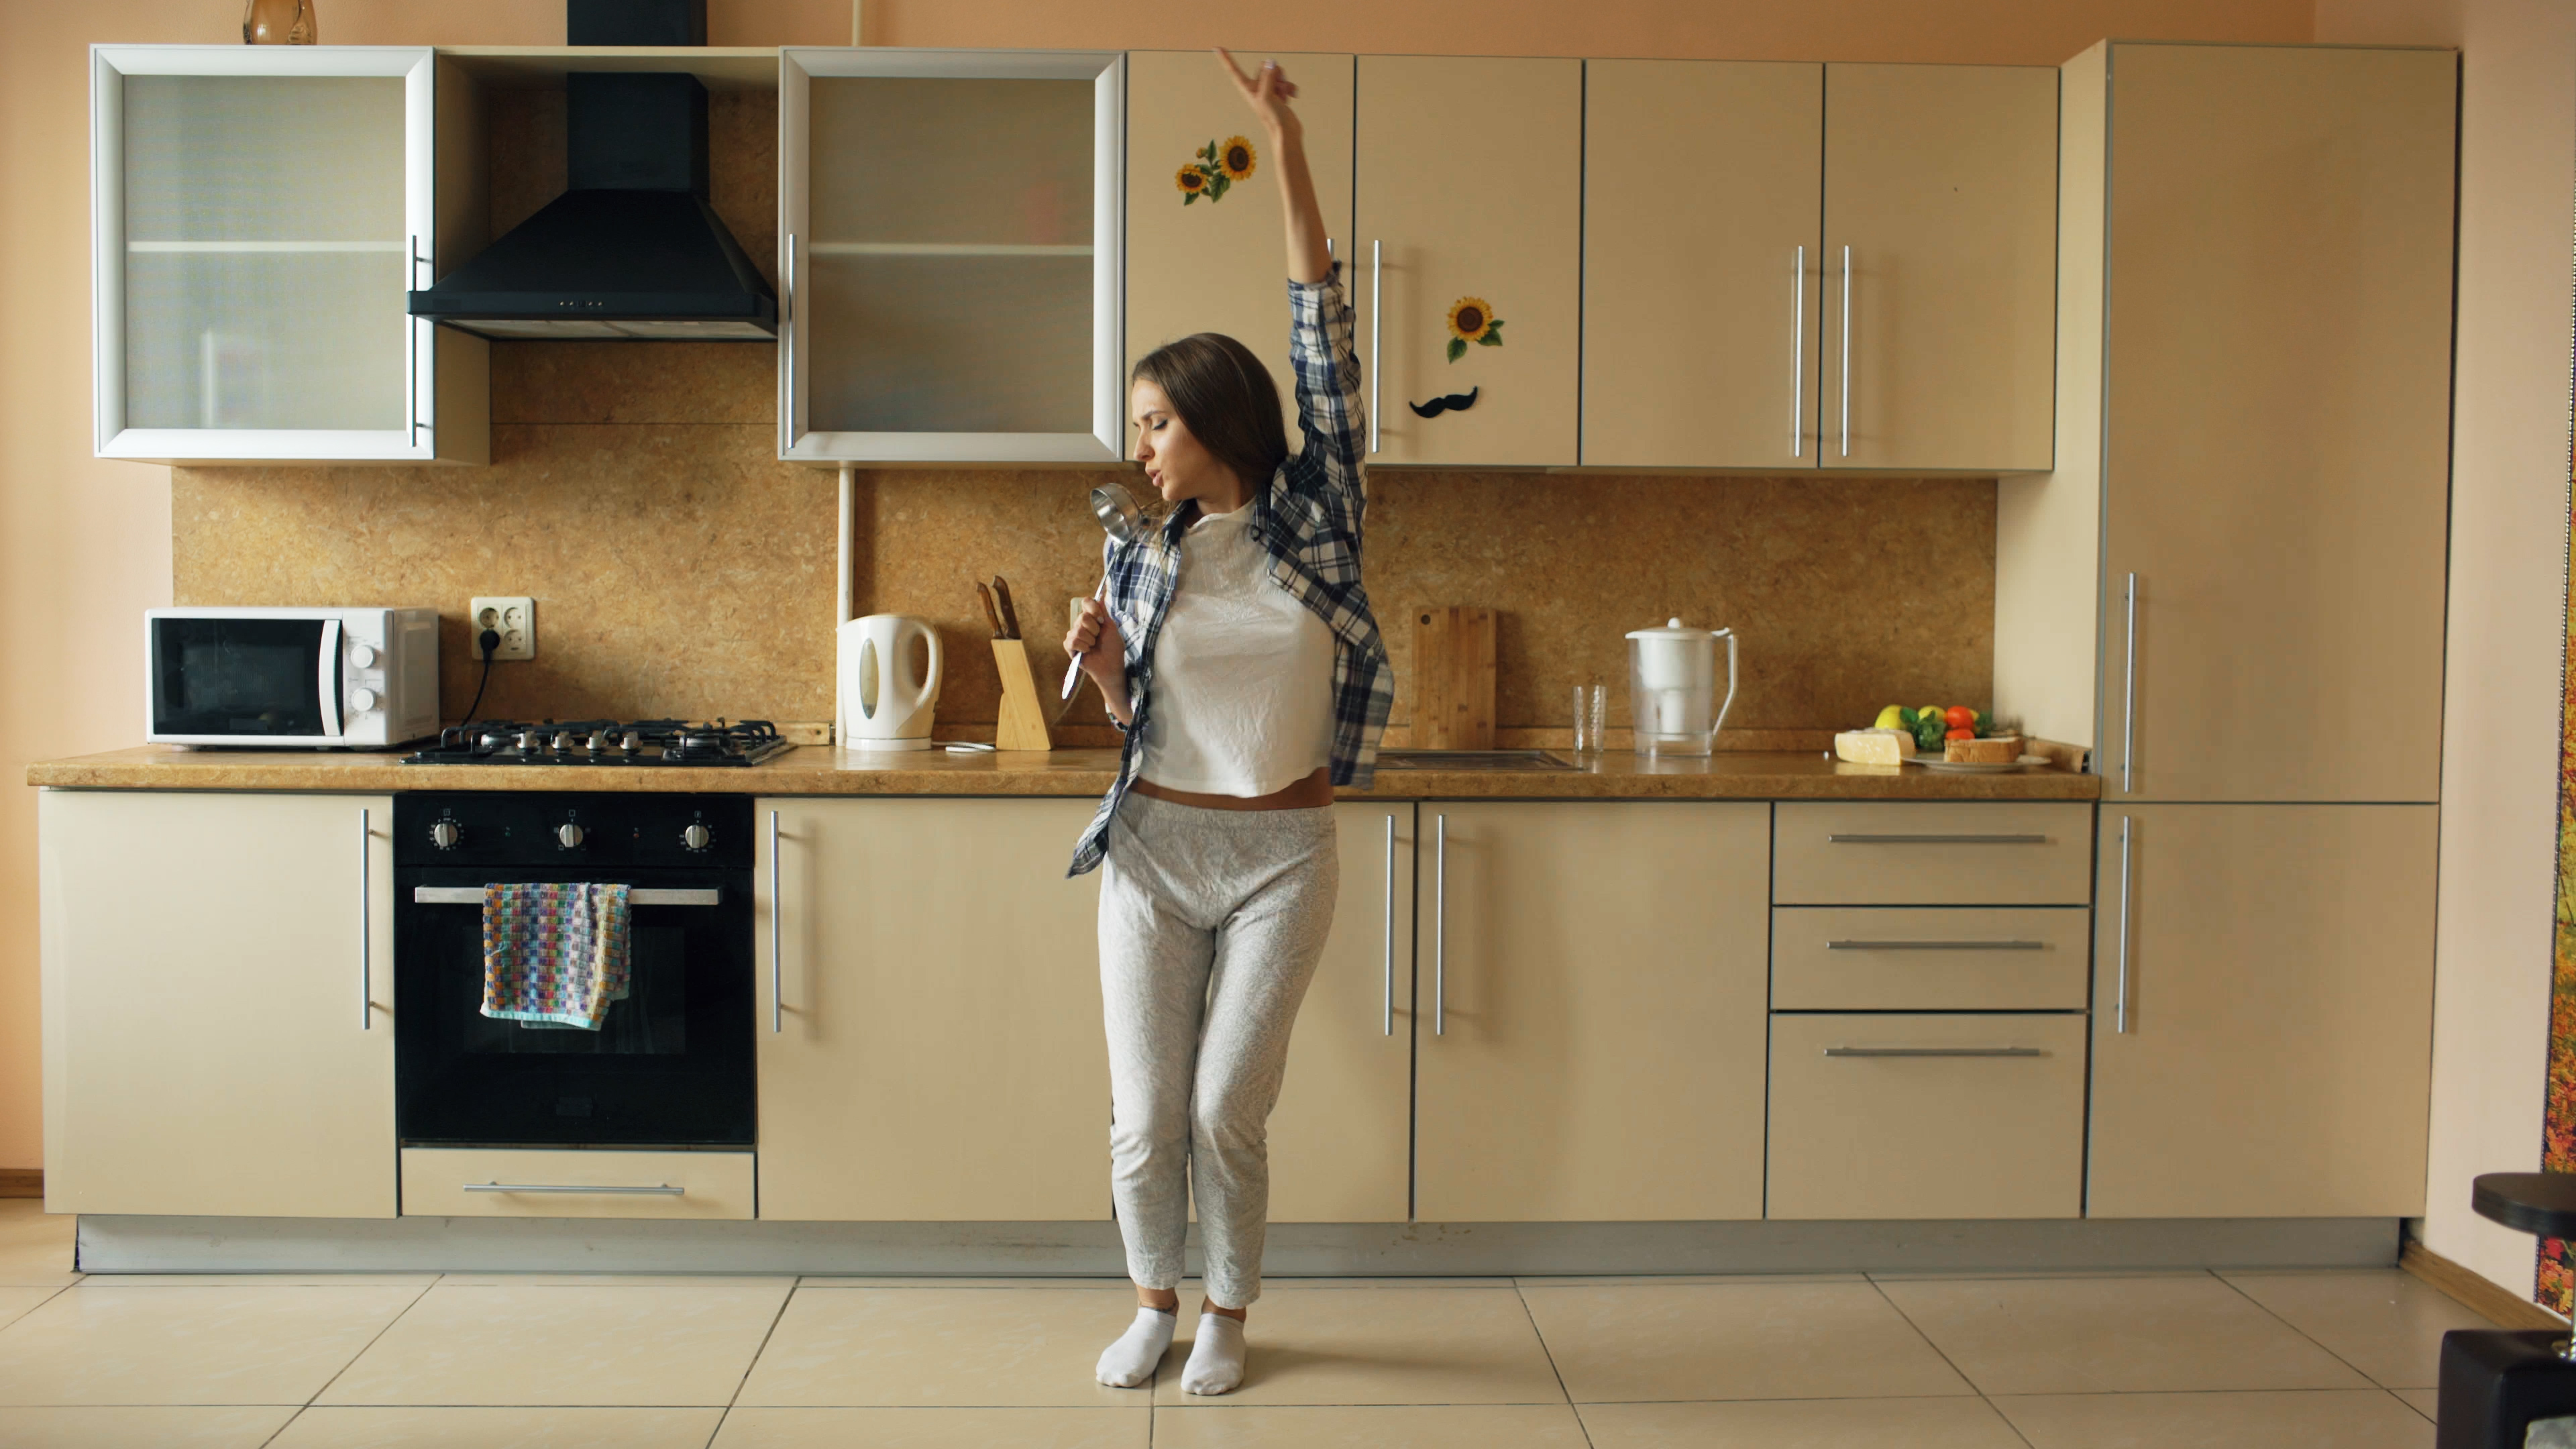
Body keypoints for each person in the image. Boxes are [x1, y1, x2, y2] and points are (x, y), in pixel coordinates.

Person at [1061, 47, 1393, 1396]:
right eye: (1137, 427)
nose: (1140, 448)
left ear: (1212, 417)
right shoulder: (1143, 553)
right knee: (1146, 1122)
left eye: (1155, 422)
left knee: (1222, 1113)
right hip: (1154, 851)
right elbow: (1142, 718)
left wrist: (1283, 139)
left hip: (1281, 859)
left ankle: (1230, 1318)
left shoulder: (1318, 519)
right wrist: (1098, 671)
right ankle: (1153, 1303)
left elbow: (1320, 315)